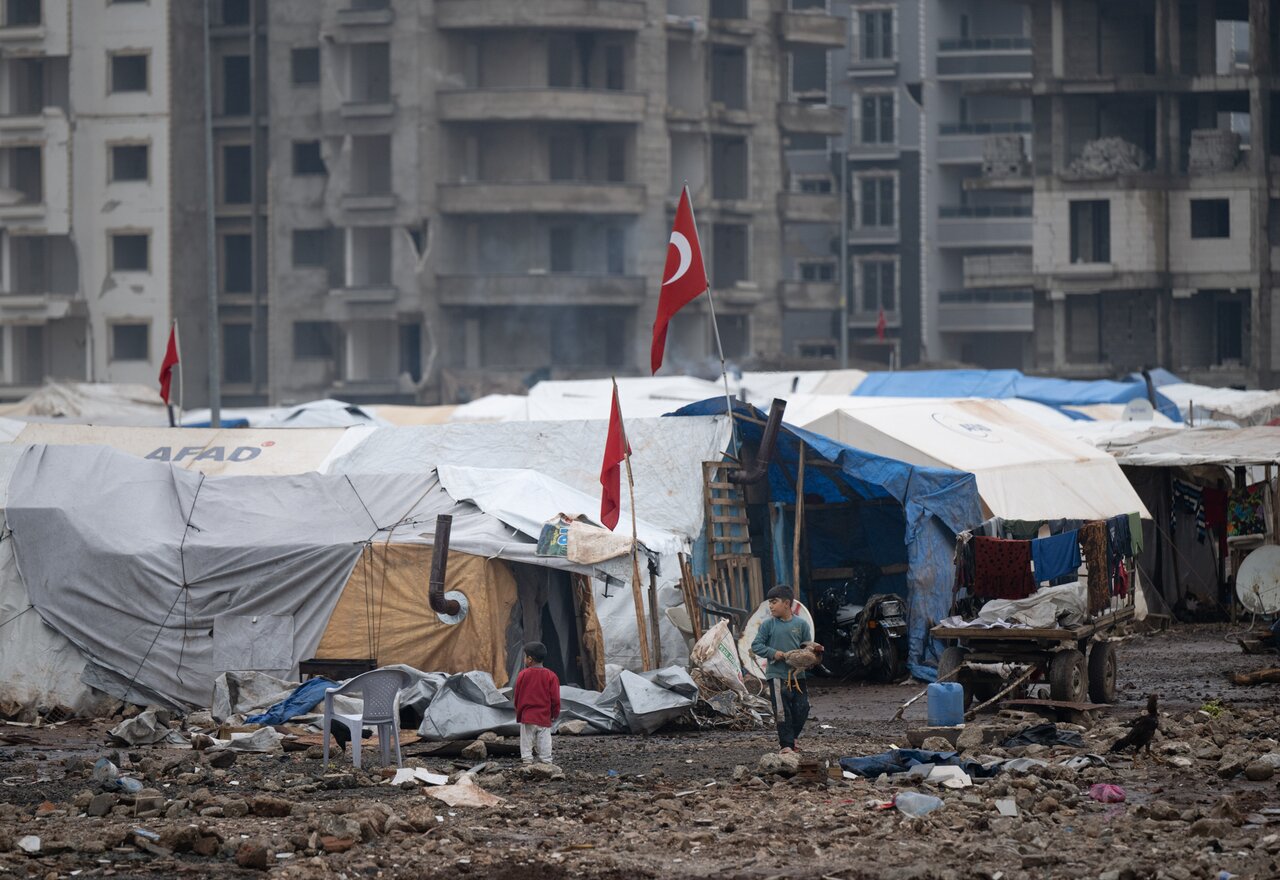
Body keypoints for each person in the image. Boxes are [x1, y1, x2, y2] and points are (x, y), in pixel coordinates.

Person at [751, 585, 816, 753]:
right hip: (777, 675)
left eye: (774, 602)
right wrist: (774, 653)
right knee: (782, 711)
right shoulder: (768, 625)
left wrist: (810, 657)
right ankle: (786, 745)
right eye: (769, 603)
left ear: (786, 603)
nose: (770, 606)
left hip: (797, 676)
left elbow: (807, 647)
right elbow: (756, 645)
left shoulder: (801, 625)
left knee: (803, 707)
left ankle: (792, 738)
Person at [513, 641, 560, 765]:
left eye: (525, 656)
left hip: (527, 715)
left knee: (526, 742)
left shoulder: (522, 675)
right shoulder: (551, 676)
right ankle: (546, 762)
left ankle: (527, 762)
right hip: (544, 716)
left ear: (530, 659)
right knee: (544, 740)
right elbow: (555, 699)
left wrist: (519, 712)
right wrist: (554, 714)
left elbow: (517, 696)